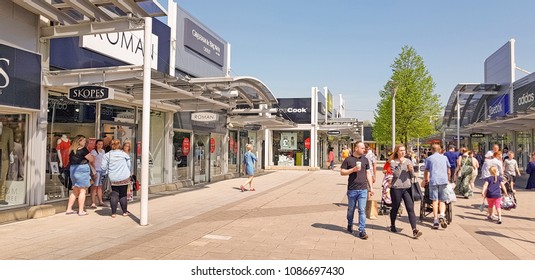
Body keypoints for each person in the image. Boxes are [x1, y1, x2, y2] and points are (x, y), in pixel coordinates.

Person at [340, 141, 374, 240]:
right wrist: (352, 170)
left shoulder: (365, 160)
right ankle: (350, 223)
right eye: (362, 148)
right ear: (356, 148)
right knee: (351, 209)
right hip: (352, 189)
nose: (364, 150)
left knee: (362, 210)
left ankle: (362, 230)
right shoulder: (348, 159)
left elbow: (368, 173)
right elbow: (342, 172)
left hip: (363, 189)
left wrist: (371, 187)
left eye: (364, 148)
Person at [388, 144, 422, 238]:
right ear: (397, 152)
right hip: (396, 188)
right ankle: (392, 224)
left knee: (410, 208)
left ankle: (414, 230)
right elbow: (395, 174)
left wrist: (411, 170)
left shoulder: (408, 161)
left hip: (407, 187)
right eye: (401, 150)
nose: (403, 152)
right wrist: (400, 165)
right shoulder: (393, 162)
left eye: (404, 150)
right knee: (395, 207)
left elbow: (412, 176)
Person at [423, 144, 450, 230]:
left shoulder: (429, 159)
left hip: (434, 180)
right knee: (442, 200)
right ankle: (442, 214)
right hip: (443, 180)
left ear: (431, 150)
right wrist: (448, 179)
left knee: (435, 201)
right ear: (440, 150)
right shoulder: (444, 158)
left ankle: (435, 220)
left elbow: (426, 171)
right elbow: (448, 170)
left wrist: (426, 180)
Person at [102, 139, 132, 218]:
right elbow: (129, 165)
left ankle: (113, 213)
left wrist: (108, 171)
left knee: (114, 194)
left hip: (113, 177)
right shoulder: (124, 154)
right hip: (124, 177)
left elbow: (103, 167)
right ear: (119, 145)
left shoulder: (107, 155)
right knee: (123, 194)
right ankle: (124, 212)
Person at [65, 135, 94, 216]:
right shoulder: (84, 150)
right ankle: (81, 210)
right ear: (80, 141)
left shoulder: (71, 149)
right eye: (84, 141)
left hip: (73, 170)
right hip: (82, 170)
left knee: (75, 191)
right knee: (82, 190)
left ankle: (69, 209)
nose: (85, 143)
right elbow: (91, 159)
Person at [0, 122, 14, 205]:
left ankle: (1, 197)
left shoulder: (8, 130)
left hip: (4, 157)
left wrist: (11, 155)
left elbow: (11, 144)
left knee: (2, 177)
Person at [89, 139, 105, 208]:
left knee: (100, 186)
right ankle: (93, 202)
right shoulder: (94, 151)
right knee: (94, 186)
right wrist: (94, 171)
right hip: (96, 170)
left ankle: (100, 200)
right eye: (99, 144)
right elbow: (92, 161)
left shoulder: (103, 151)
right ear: (96, 144)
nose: (100, 146)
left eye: (101, 144)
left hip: (102, 170)